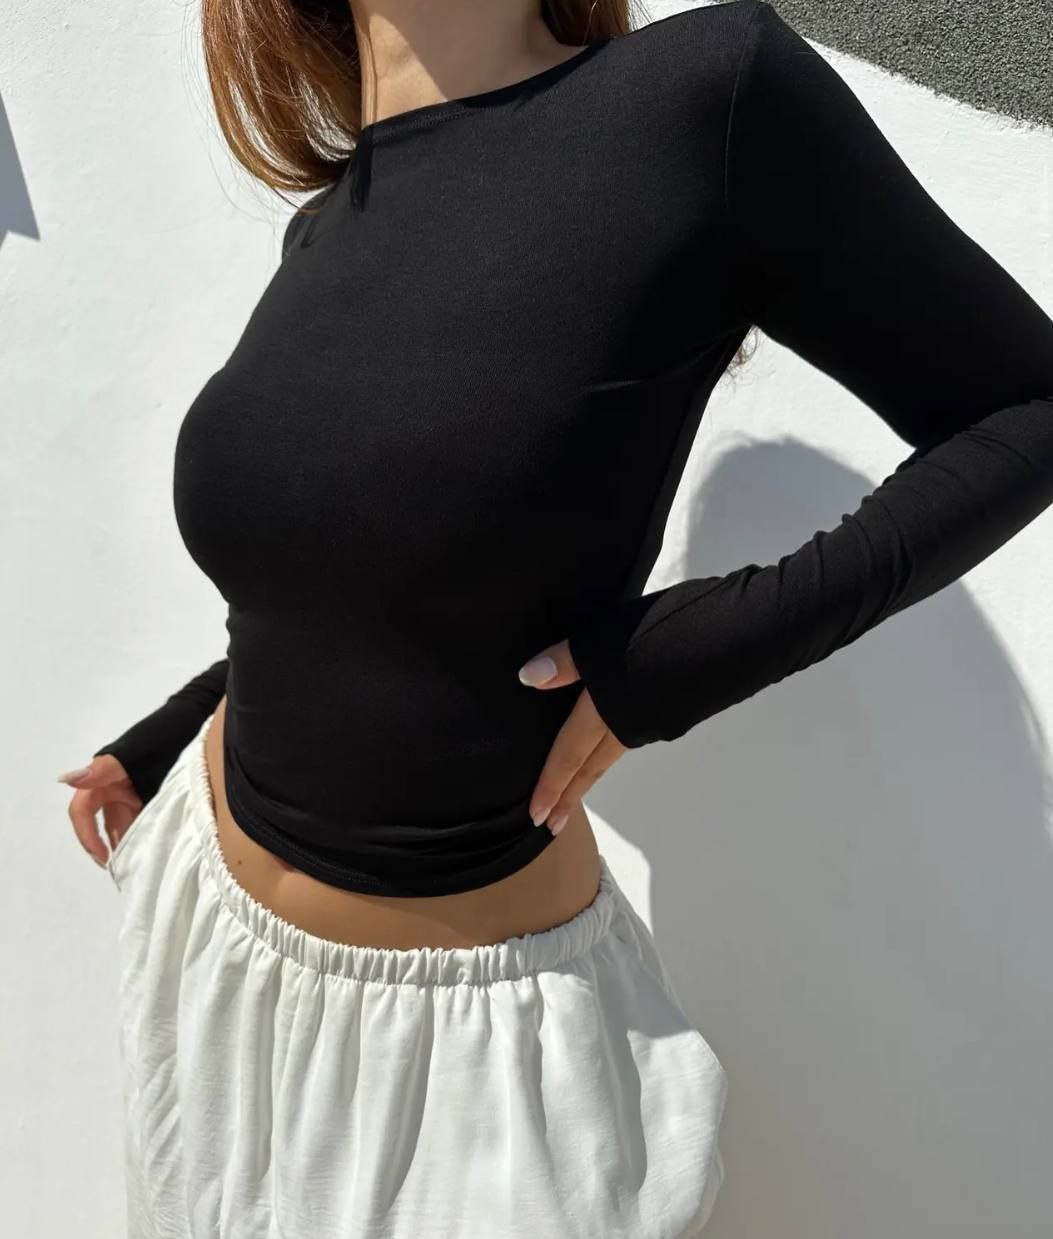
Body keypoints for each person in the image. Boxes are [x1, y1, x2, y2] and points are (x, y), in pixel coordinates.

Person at [61, 1, 1053, 1235]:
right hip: (204, 947)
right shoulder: (329, 221)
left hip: (463, 1057)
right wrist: (170, 736)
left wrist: (691, 656)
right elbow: (354, 582)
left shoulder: (701, 98)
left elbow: (1025, 408)